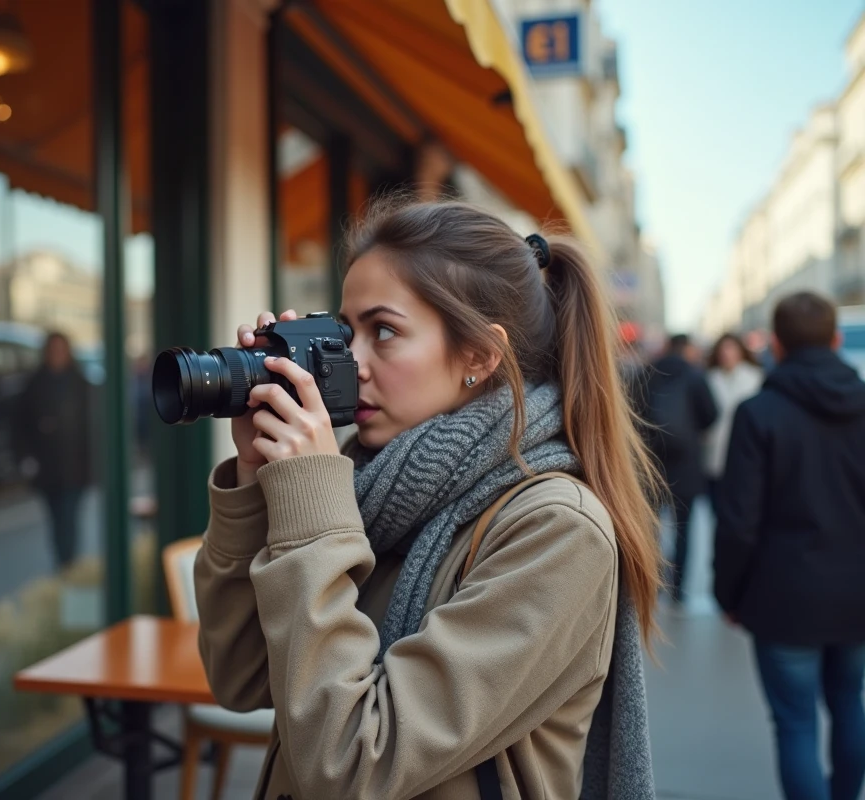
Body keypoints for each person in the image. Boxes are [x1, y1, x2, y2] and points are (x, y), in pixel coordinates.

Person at [194, 200, 663, 799]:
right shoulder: (367, 489)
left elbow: (352, 761)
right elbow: (240, 676)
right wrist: (255, 480)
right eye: (346, 333)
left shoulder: (557, 530)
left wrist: (311, 501)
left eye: (384, 332)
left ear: (479, 357)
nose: (352, 363)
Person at [715, 291, 865, 800]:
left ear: (775, 345)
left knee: (795, 722)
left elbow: (738, 521)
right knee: (850, 702)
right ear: (836, 340)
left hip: (785, 595)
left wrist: (728, 593)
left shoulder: (759, 413)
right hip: (858, 591)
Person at [640, 333, 718, 602]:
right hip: (686, 463)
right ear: (686, 349)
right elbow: (712, 414)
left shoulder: (648, 373)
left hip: (652, 462)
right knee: (684, 527)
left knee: (651, 524)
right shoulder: (695, 376)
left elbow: (634, 412)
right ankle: (678, 586)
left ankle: (652, 580)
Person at [15, 331, 92, 569]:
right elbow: (20, 425)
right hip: (47, 467)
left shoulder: (80, 384)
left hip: (75, 468)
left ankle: (69, 567)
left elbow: (93, 426)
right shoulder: (35, 384)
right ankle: (63, 566)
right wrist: (26, 458)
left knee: (69, 520)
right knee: (57, 521)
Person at [704, 333, 764, 508]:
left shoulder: (755, 378)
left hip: (747, 449)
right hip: (715, 451)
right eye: (723, 349)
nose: (727, 354)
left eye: (731, 349)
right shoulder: (709, 379)